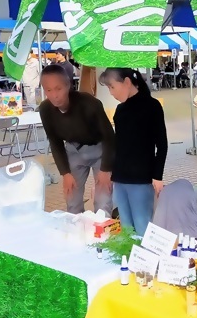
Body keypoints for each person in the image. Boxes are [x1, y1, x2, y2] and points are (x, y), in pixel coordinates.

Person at [100, 68, 168, 236]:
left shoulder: (152, 106)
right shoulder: (120, 110)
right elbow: (118, 144)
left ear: (127, 82)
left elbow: (162, 144)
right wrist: (109, 171)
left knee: (142, 225)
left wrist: (157, 176)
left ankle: (145, 260)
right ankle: (128, 260)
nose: (110, 93)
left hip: (141, 178)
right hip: (120, 177)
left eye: (112, 87)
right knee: (126, 227)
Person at [40, 65, 115, 214]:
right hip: (73, 151)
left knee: (103, 200)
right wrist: (65, 173)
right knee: (72, 201)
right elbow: (55, 142)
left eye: (58, 88)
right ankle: (76, 231)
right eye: (48, 90)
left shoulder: (89, 103)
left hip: (99, 150)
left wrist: (106, 169)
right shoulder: (45, 109)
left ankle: (101, 233)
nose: (54, 95)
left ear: (68, 85)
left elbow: (110, 137)